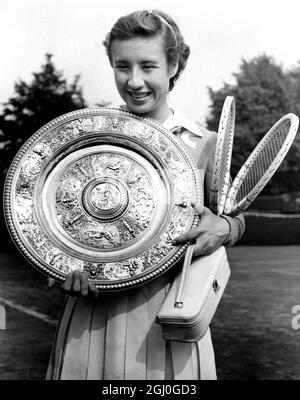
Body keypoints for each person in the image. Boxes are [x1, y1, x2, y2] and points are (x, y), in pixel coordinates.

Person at [46, 9, 245, 380]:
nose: (135, 81)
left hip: (169, 320)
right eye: (123, 66)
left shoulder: (205, 145)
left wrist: (226, 227)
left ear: (174, 66)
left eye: (148, 66)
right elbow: (52, 229)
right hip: (90, 319)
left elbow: (234, 217)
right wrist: (60, 269)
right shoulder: (89, 140)